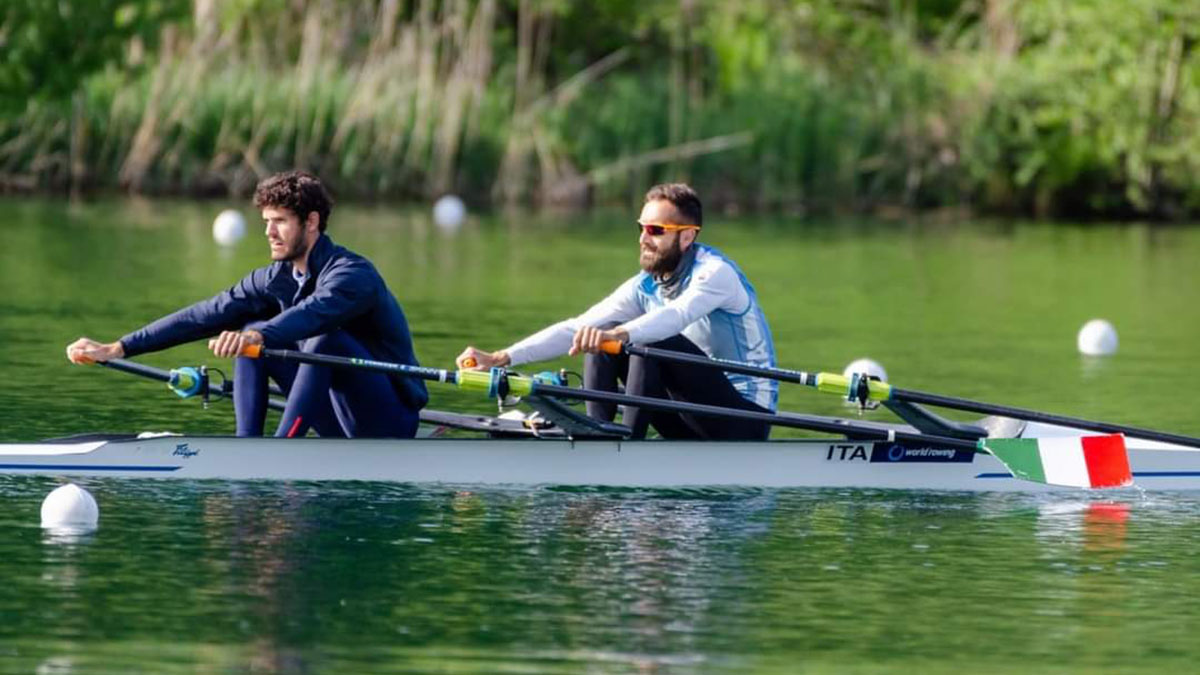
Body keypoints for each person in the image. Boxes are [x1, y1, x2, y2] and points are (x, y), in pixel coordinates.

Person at [65, 170, 427, 438]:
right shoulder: (274, 278)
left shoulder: (352, 275)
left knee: (319, 340)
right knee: (249, 332)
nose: (269, 232)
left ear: (312, 222)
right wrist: (120, 347)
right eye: (266, 222)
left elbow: (312, 314)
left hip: (389, 419)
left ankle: (279, 451)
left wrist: (261, 337)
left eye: (280, 222)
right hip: (335, 413)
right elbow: (204, 314)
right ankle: (248, 445)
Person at [456, 183, 776, 440]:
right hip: (689, 414)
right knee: (599, 334)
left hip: (743, 417)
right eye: (641, 228)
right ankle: (597, 438)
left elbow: (676, 316)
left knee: (642, 340)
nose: (643, 239)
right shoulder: (644, 286)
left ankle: (624, 447)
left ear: (687, 236)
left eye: (656, 230)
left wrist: (617, 335)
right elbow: (575, 328)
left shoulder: (715, 273)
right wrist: (501, 358)